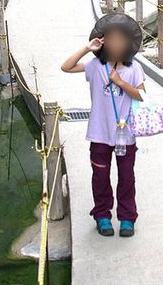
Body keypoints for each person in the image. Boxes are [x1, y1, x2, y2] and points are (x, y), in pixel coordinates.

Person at [60, 13, 146, 238]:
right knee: (100, 177)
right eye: (112, 39)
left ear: (128, 43)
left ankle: (127, 218)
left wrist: (120, 82)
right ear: (103, 41)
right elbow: (66, 67)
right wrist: (87, 48)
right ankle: (102, 215)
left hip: (125, 134)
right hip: (99, 133)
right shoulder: (94, 66)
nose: (117, 44)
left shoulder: (134, 68)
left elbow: (141, 95)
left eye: (121, 40)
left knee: (127, 177)